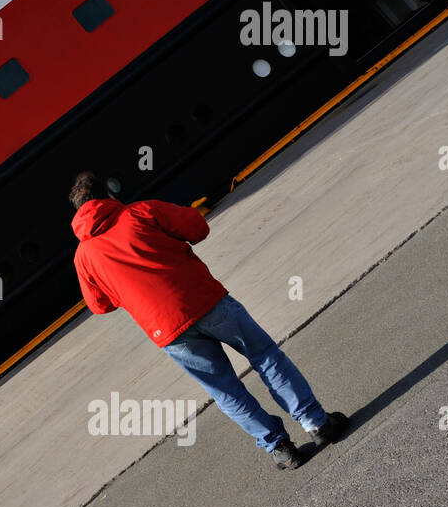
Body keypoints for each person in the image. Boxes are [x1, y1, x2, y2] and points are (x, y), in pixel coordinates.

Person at [68, 171, 348, 468]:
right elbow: (197, 227)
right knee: (265, 357)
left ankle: (280, 448)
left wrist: (126, 289)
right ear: (108, 196)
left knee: (225, 390)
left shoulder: (83, 256)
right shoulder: (140, 212)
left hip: (168, 332)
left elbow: (99, 305)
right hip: (207, 301)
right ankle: (317, 423)